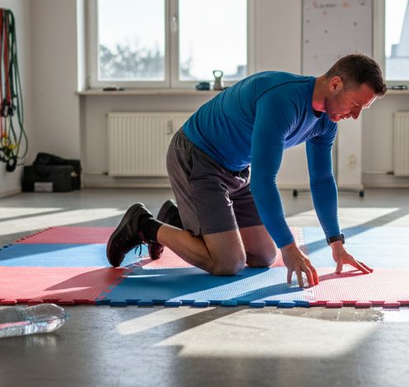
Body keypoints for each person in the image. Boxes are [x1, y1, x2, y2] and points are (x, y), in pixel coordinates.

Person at [107, 53, 387, 288]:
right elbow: (264, 182)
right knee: (228, 263)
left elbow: (322, 180)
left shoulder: (326, 122)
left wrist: (336, 244)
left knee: (264, 256)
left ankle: (179, 220)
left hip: (236, 170)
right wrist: (290, 247)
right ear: (336, 84)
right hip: (196, 156)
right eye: (355, 105)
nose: (355, 116)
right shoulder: (282, 100)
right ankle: (144, 225)